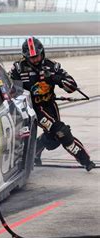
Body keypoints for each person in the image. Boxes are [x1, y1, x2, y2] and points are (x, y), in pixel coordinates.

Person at [10, 37, 95, 171]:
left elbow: (72, 87)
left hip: (50, 105)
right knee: (61, 132)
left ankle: (35, 153)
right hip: (32, 108)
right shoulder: (18, 69)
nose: (35, 60)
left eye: (37, 56)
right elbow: (12, 92)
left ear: (42, 53)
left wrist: (58, 79)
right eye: (31, 58)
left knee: (53, 138)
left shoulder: (52, 66)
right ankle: (86, 161)